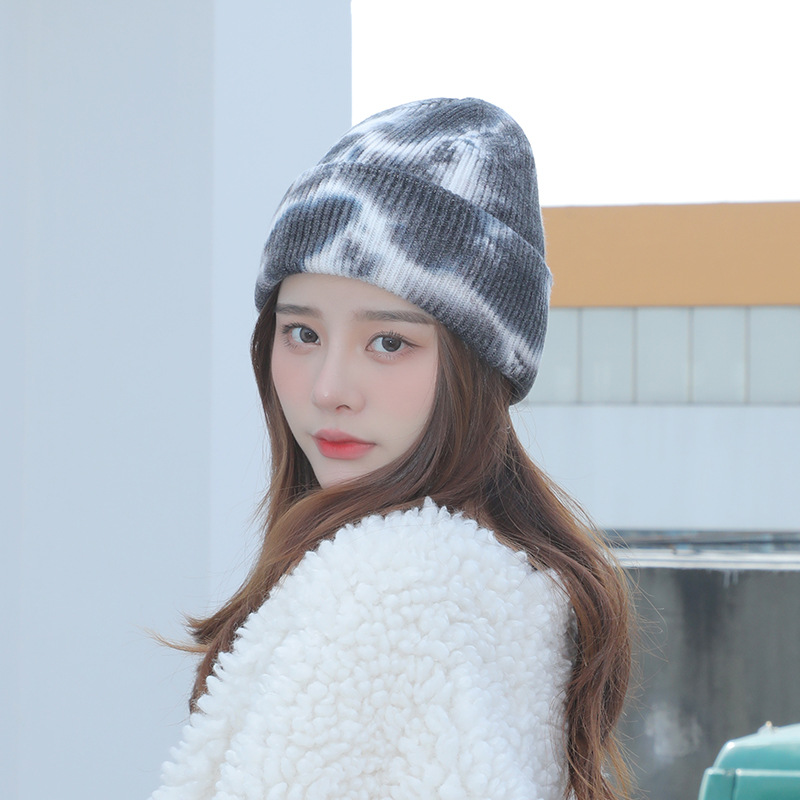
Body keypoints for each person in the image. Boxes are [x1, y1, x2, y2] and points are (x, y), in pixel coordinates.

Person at [150, 98, 632, 800]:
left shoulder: (386, 593)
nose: (328, 389)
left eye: (388, 342)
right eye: (302, 333)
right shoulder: (498, 583)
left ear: (478, 365)